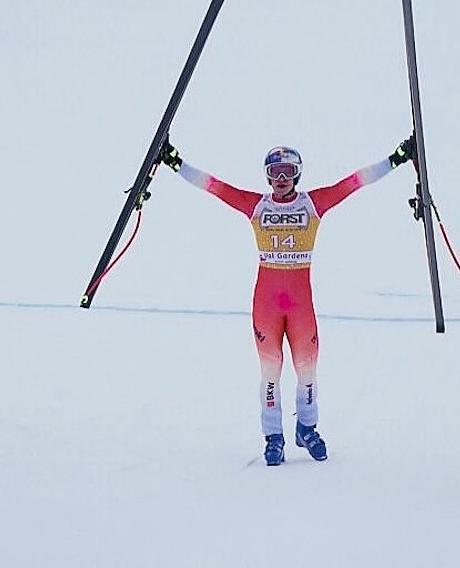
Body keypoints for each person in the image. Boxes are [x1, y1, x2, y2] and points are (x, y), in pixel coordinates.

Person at [157, 134, 416, 465]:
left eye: (287, 172)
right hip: (266, 302)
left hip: (300, 305)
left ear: (297, 175)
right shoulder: (257, 206)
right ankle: (273, 437)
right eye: (275, 172)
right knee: (270, 372)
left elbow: (353, 183)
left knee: (307, 369)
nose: (281, 179)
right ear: (267, 176)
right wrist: (175, 162)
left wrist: (396, 158)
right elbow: (215, 187)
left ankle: (306, 429)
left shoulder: (312, 204)